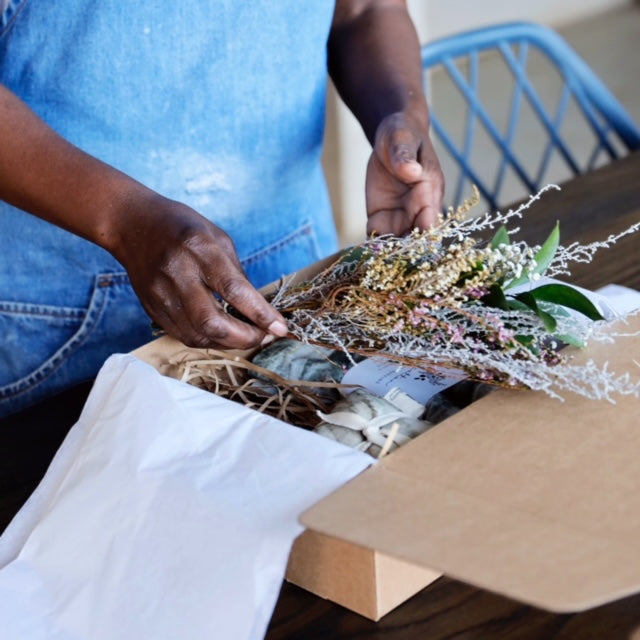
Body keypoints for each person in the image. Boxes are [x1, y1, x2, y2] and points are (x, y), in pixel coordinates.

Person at [0, 0, 444, 416]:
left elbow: (365, 9)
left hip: (295, 276)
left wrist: (401, 115)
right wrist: (121, 218)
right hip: (58, 321)